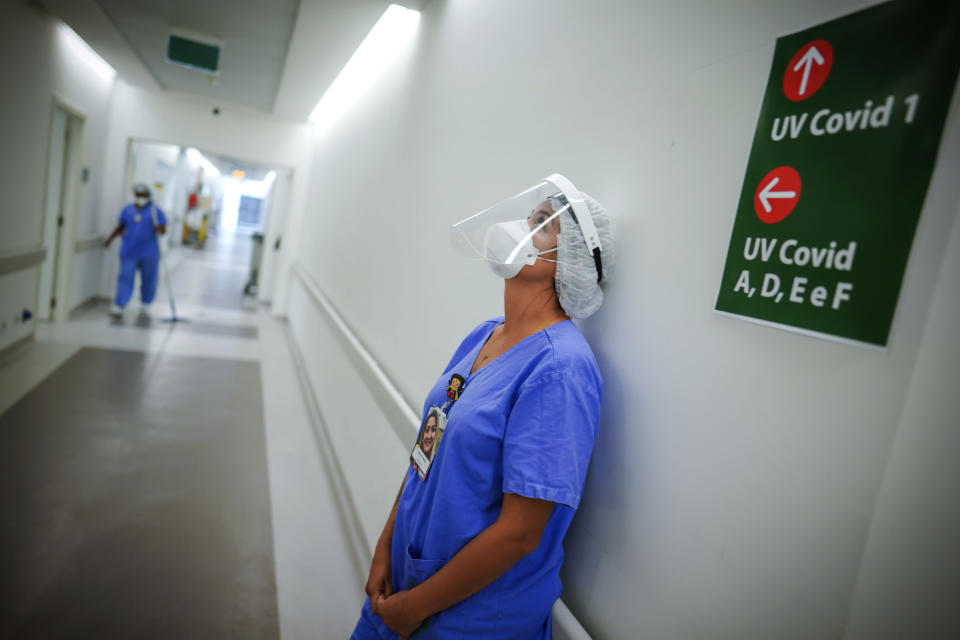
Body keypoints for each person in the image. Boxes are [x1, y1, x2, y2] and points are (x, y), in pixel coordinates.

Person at [351, 176, 616, 639]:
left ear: (569, 260)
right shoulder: (485, 335)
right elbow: (426, 450)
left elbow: (521, 533)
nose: (518, 227)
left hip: (470, 621)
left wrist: (414, 608)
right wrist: (385, 544)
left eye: (540, 223)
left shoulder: (561, 369)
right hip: (402, 588)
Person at [104, 184, 167, 318]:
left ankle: (146, 302)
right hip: (129, 251)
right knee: (125, 278)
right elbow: (120, 226)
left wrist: (159, 228)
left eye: (143, 196)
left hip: (149, 253)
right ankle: (120, 304)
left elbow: (163, 230)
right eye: (138, 195)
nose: (141, 198)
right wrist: (109, 239)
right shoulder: (128, 210)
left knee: (149, 280)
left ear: (148, 196)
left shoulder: (155, 211)